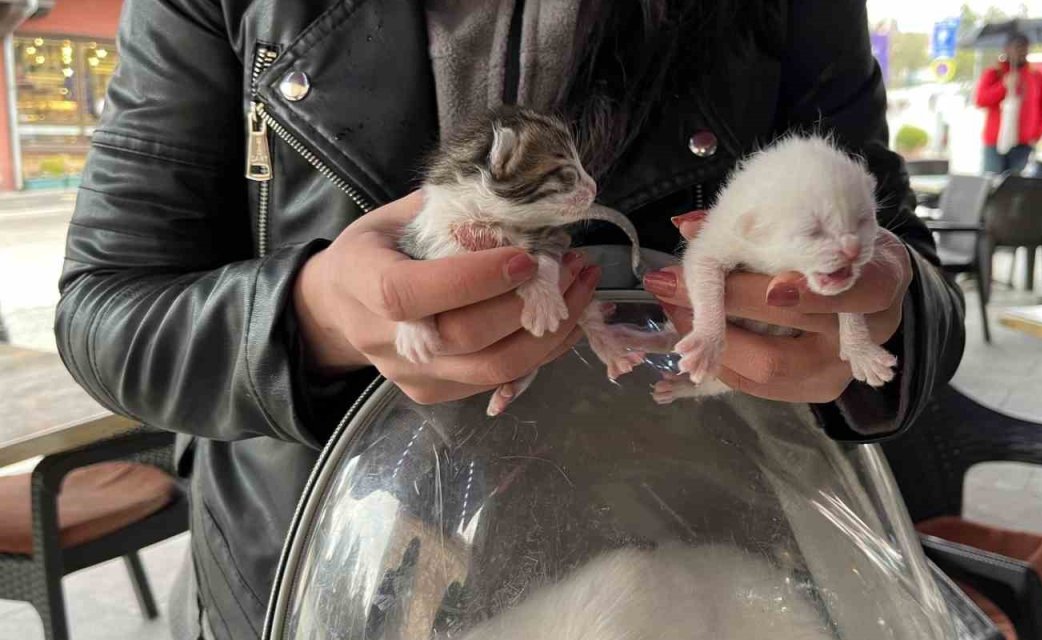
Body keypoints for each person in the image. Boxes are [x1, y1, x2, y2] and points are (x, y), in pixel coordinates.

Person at [53, 1, 965, 638]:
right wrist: (314, 319)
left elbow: (911, 278)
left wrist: (876, 322)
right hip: (334, 570)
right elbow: (106, 311)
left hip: (696, 573)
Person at [975, 33, 1042, 175]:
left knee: (1016, 187)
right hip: (995, 144)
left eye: (1025, 47)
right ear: (1006, 49)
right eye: (1017, 47)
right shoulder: (994, 73)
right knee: (991, 185)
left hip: (1023, 144)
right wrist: (1003, 86)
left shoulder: (1036, 76)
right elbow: (981, 100)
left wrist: (1036, 134)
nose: (1021, 51)